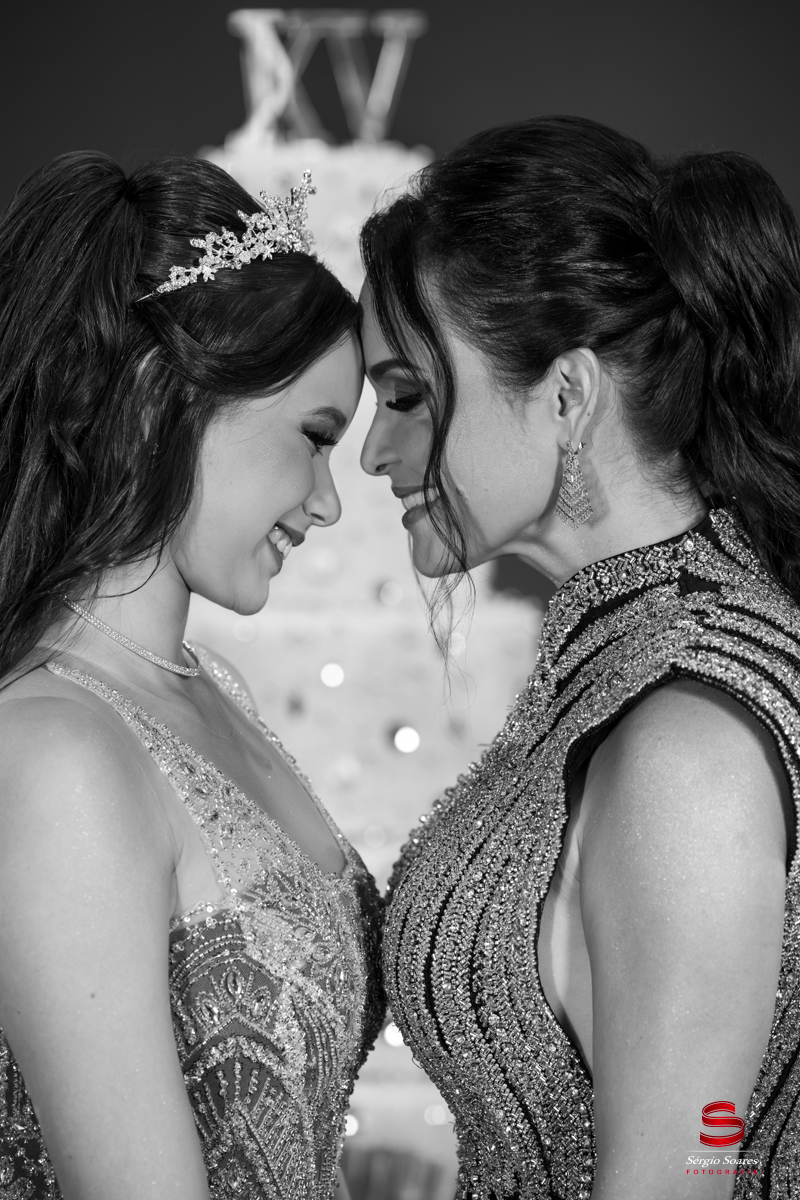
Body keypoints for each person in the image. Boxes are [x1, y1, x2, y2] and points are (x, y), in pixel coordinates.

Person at [358, 115, 800, 1199]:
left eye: (408, 396)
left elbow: (694, 1164)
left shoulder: (690, 745)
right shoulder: (630, 666)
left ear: (566, 396)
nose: (374, 450)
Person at [0, 151, 384, 1200]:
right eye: (313, 438)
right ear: (159, 394)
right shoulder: (53, 751)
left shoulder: (214, 692)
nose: (327, 503)